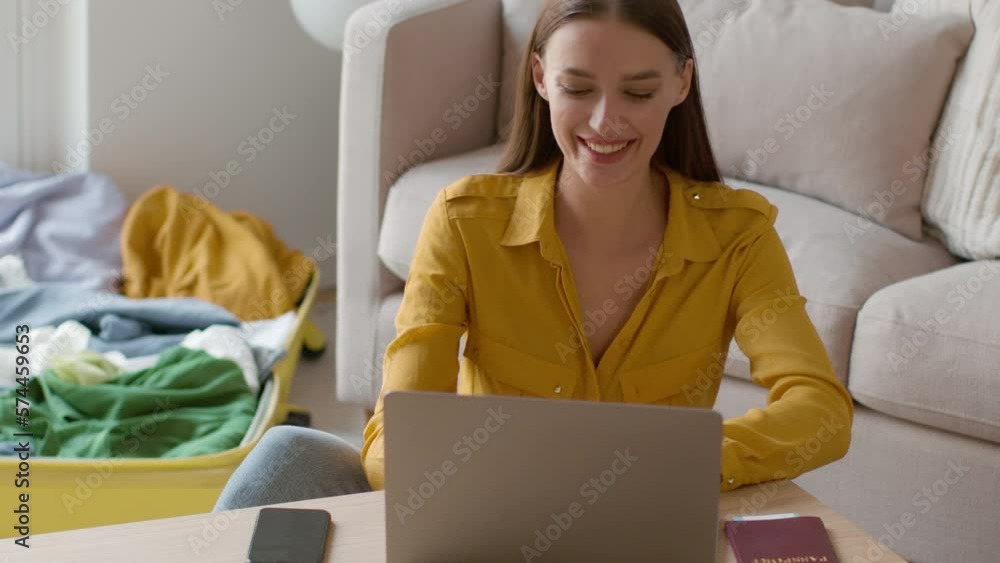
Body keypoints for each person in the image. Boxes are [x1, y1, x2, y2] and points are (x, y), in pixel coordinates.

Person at [213, 0, 853, 512]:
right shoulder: (466, 224)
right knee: (285, 459)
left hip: (642, 521)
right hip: (485, 514)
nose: (605, 122)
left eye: (638, 92)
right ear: (542, 76)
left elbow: (821, 413)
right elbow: (401, 426)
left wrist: (684, 463)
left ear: (681, 83)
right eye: (579, 87)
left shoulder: (737, 236)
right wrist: (460, 491)